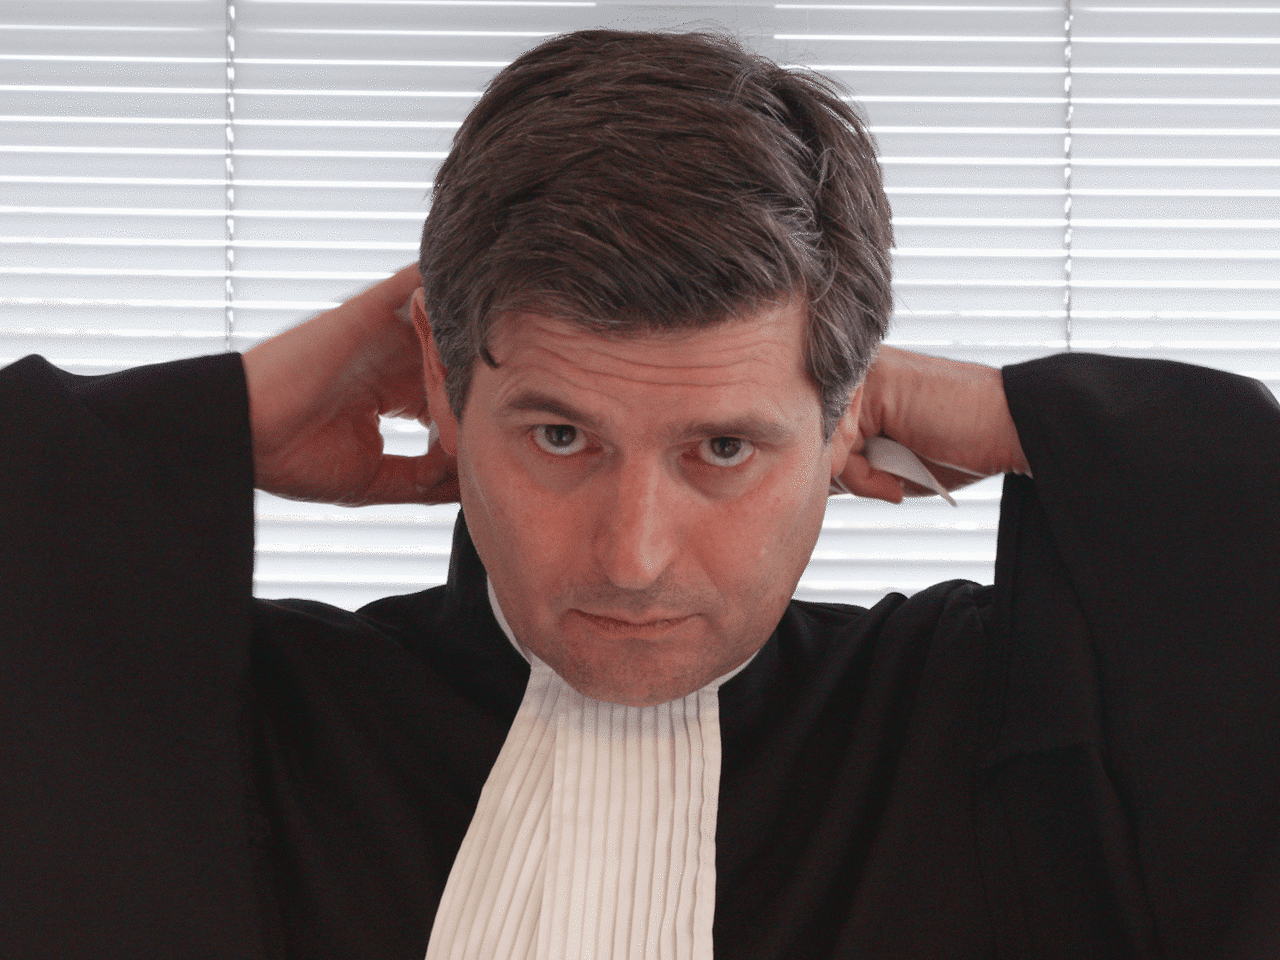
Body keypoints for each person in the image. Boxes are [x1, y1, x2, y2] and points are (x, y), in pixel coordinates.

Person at [2, 28, 1278, 960]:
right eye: (561, 435)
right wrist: (225, 414)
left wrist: (1005, 412)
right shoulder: (250, 720)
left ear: (843, 419)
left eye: (721, 448)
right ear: (441, 382)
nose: (631, 556)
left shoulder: (987, 719)